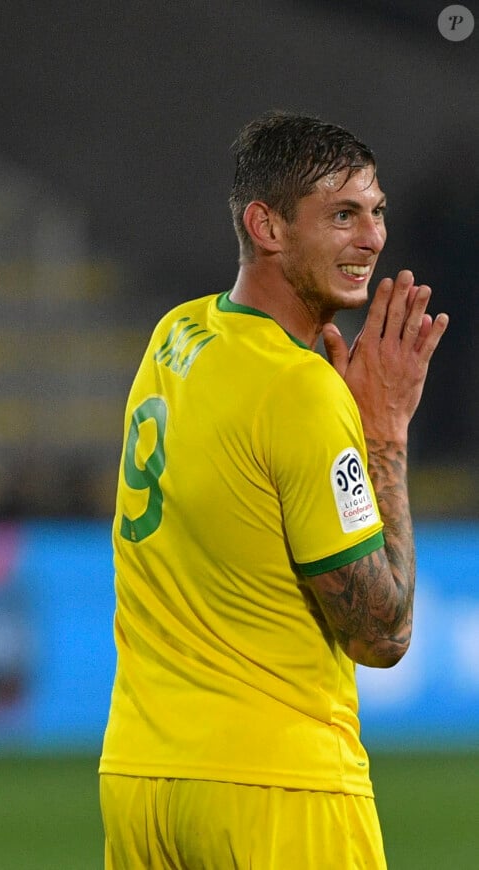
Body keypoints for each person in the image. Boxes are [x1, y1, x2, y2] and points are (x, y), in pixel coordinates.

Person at [99, 111, 449, 869]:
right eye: (343, 215)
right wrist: (383, 436)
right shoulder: (300, 393)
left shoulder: (177, 337)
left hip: (142, 781)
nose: (372, 239)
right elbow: (380, 634)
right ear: (268, 225)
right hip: (277, 790)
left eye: (377, 211)